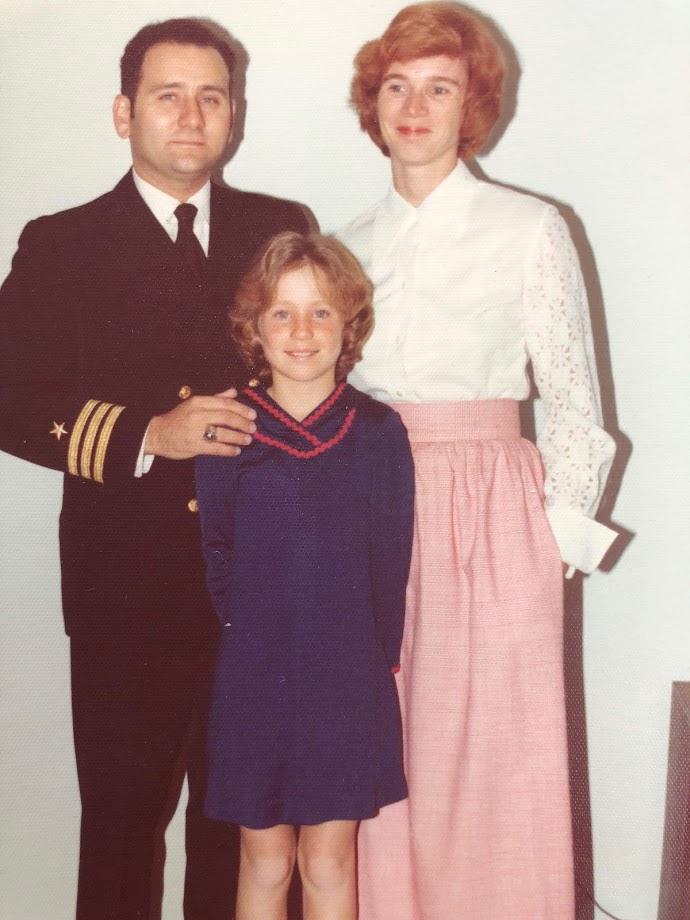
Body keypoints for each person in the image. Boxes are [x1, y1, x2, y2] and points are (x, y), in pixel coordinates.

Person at [0, 17, 308, 920]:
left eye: (212, 97)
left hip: (257, 585)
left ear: (234, 116)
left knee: (240, 832)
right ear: (123, 112)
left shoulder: (278, 229)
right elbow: (9, 398)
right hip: (124, 590)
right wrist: (149, 434)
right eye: (168, 95)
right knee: (122, 832)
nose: (192, 116)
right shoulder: (63, 242)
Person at [338, 3, 618, 918]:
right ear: (373, 103)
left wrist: (552, 546)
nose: (415, 108)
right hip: (374, 503)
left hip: (495, 513)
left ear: (473, 106)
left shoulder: (529, 227)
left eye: (440, 88)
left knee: (500, 752)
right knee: (387, 744)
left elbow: (573, 399)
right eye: (397, 86)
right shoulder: (345, 245)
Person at [195, 231, 415, 920]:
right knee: (265, 859)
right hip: (254, 674)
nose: (301, 331)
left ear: (349, 325)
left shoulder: (378, 432)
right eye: (282, 313)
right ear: (255, 328)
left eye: (321, 312)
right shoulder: (228, 427)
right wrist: (255, 639)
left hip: (345, 677)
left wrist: (373, 660)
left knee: (328, 860)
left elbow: (391, 562)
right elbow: (217, 554)